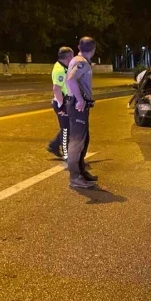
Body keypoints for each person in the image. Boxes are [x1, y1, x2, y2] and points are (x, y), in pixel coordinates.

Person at [65, 37, 98, 189]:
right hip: (77, 105)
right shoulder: (82, 62)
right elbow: (70, 80)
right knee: (77, 141)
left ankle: (81, 172)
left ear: (79, 47)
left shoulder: (79, 60)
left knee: (83, 139)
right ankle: (75, 177)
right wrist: (79, 99)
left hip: (77, 104)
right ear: (94, 49)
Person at [46, 46, 74, 160]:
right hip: (61, 103)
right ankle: (66, 154)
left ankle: (54, 145)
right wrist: (62, 106)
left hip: (65, 102)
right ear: (68, 57)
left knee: (67, 127)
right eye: (72, 56)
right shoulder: (59, 70)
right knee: (66, 129)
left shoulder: (64, 67)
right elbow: (56, 89)